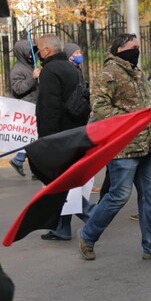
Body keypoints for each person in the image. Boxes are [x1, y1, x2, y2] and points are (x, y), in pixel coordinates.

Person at [79, 33, 151, 261]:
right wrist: (133, 118)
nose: (137, 50)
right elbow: (98, 109)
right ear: (120, 48)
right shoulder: (108, 74)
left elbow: (144, 105)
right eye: (133, 46)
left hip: (146, 145)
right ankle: (87, 235)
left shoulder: (137, 72)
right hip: (124, 147)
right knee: (119, 195)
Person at [36, 36, 93, 241]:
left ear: (48, 50)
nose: (38, 52)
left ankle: (92, 215)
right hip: (74, 131)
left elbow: (49, 108)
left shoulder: (50, 71)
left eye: (40, 49)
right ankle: (62, 227)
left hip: (58, 135)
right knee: (63, 180)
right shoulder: (71, 68)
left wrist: (47, 139)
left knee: (60, 182)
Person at [9, 39, 39, 177]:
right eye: (29, 52)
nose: (32, 54)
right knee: (32, 137)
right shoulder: (17, 69)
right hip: (26, 107)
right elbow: (18, 88)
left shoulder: (31, 65)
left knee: (33, 138)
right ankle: (18, 159)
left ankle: (34, 170)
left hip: (35, 104)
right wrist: (32, 78)